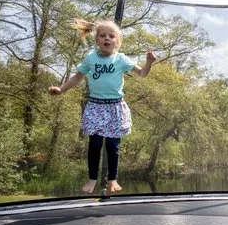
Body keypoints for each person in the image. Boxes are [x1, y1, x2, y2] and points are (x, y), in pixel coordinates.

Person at [48, 18, 157, 194]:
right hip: (96, 106)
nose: (107, 38)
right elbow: (77, 77)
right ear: (96, 39)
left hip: (115, 107)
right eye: (102, 35)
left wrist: (149, 62)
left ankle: (112, 179)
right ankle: (92, 179)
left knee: (113, 145)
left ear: (117, 41)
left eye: (111, 36)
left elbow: (142, 74)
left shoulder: (121, 59)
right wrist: (61, 90)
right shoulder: (91, 58)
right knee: (95, 144)